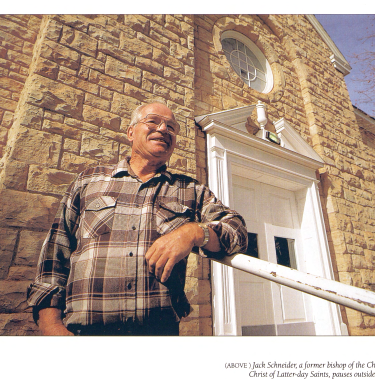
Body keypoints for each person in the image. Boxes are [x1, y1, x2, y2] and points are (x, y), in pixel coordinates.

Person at [26, 102, 248, 336]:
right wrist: (50, 324)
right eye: (153, 121)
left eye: (171, 127)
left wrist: (193, 233)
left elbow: (238, 233)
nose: (163, 129)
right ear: (131, 132)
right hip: (82, 333)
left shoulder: (191, 190)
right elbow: (55, 252)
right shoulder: (89, 181)